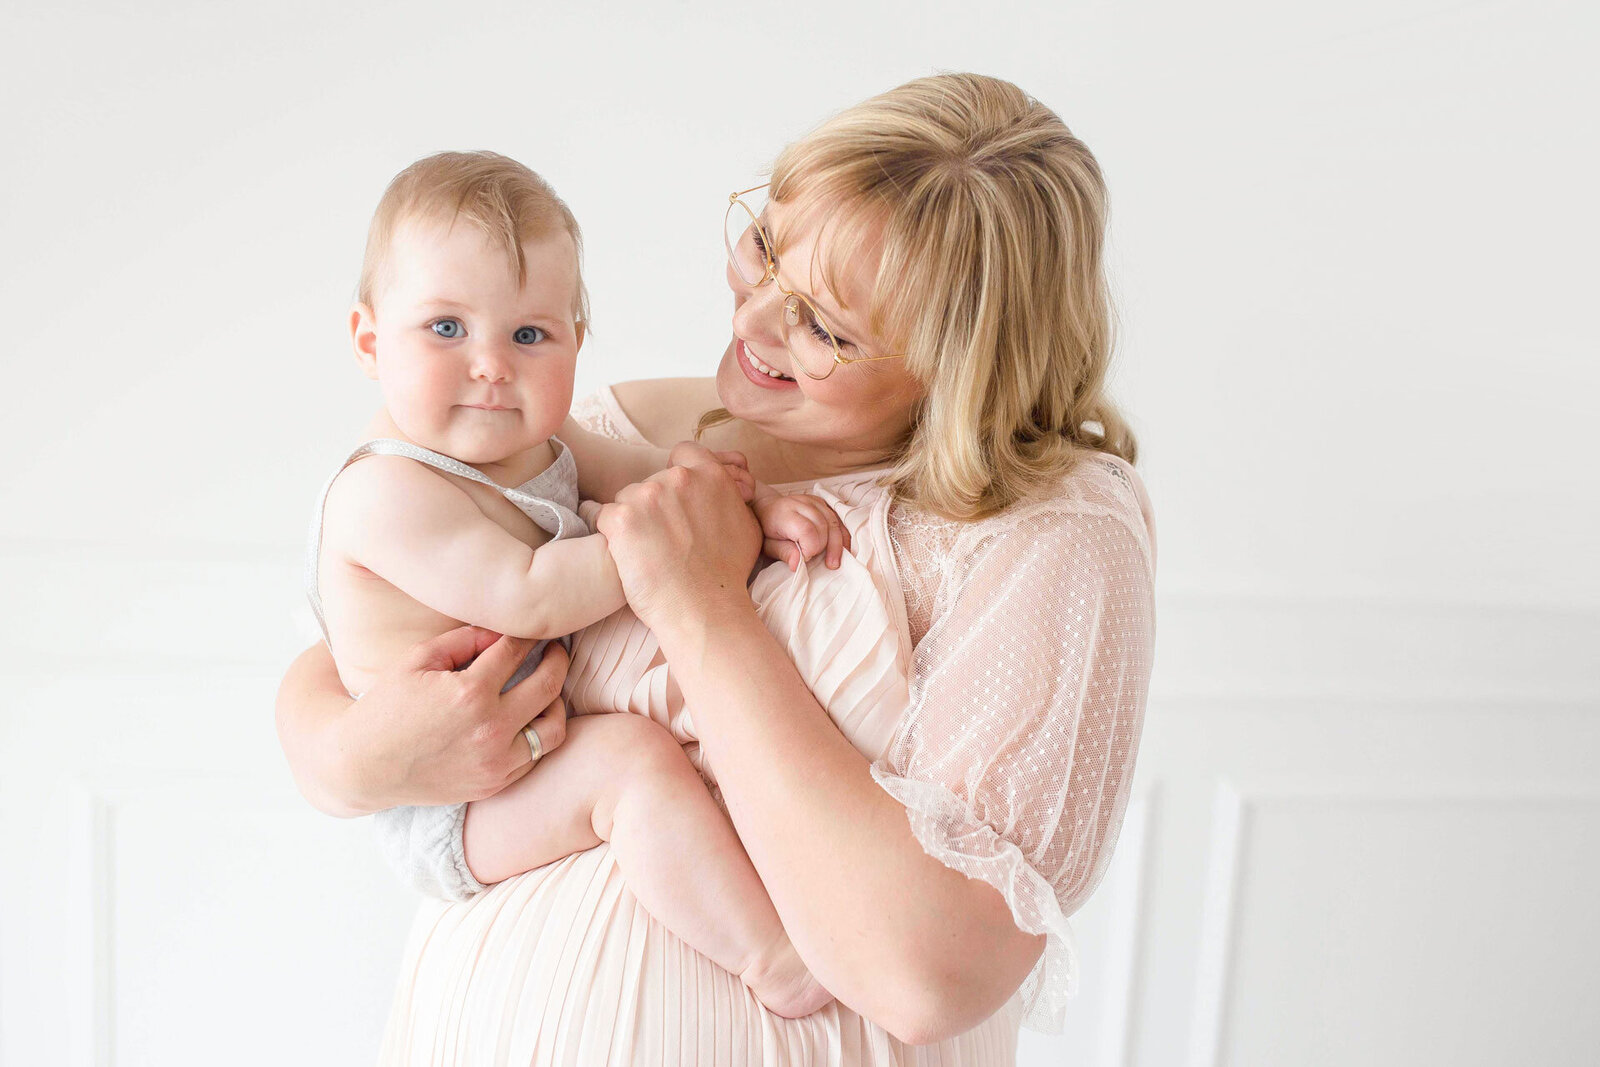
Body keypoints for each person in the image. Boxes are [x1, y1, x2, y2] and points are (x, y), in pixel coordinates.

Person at [277, 72, 1156, 1064]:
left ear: (966, 366)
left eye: (826, 327)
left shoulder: (1048, 531)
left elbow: (930, 971)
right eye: (765, 244)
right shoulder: (618, 422)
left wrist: (701, 604)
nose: (755, 320)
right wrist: (350, 761)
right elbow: (350, 635)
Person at [308, 150, 852, 1017]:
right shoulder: (387, 493)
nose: (491, 365)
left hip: (522, 749)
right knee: (632, 766)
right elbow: (529, 589)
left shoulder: (541, 438)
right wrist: (683, 543)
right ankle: (770, 953)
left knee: (647, 755)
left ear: (574, 343)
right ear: (371, 340)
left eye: (529, 335)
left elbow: (642, 479)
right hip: (451, 799)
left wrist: (749, 500)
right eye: (446, 328)